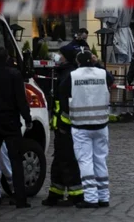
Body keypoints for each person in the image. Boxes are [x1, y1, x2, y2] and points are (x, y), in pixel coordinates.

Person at [59, 50, 114, 208]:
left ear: (77, 62)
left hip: (80, 125)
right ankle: (104, 197)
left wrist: (68, 116)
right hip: (101, 124)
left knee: (85, 161)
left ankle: (90, 198)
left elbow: (62, 95)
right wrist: (96, 63)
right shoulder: (102, 73)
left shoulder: (73, 75)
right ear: (92, 59)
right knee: (100, 160)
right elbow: (110, 81)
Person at [0, 47, 32, 208]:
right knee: (16, 161)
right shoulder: (14, 74)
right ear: (6, 58)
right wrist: (27, 118)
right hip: (11, 122)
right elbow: (21, 99)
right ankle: (20, 199)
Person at [41, 45, 84, 206]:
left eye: (60, 54)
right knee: (59, 160)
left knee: (68, 161)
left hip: (66, 127)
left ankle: (76, 194)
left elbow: (67, 104)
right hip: (61, 126)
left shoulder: (70, 75)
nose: (58, 56)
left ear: (66, 57)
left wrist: (64, 125)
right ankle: (56, 193)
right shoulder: (65, 73)